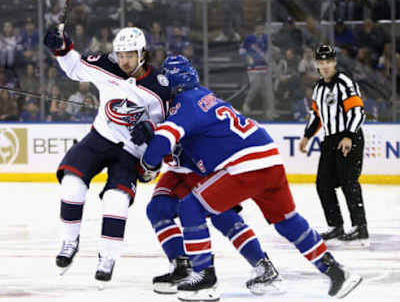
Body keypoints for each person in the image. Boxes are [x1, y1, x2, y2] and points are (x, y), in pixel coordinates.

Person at [133, 55, 362, 301]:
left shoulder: (184, 102)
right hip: (269, 158)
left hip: (244, 165)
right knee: (286, 221)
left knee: (191, 207)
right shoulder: (204, 96)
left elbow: (164, 142)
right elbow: (193, 148)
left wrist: (147, 163)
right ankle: (335, 271)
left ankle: (204, 278)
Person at [43, 25, 171, 282]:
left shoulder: (159, 87)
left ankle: (108, 258)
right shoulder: (106, 66)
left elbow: (170, 125)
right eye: (120, 54)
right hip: (99, 138)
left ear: (142, 54)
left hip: (130, 153)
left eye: (130, 55)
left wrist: (153, 129)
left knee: (116, 201)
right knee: (71, 185)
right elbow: (74, 67)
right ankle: (69, 242)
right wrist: (62, 48)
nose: (124, 60)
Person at [143, 149, 281, 295]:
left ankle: (263, 265)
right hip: (177, 172)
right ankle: (182, 265)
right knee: (158, 209)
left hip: (209, 168)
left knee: (223, 217)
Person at [298, 43, 369, 244]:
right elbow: (317, 115)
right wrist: (306, 136)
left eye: (328, 61)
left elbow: (357, 111)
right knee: (323, 183)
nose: (325, 65)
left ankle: (359, 226)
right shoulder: (319, 88)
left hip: (349, 137)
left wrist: (348, 135)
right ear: (317, 64)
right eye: (321, 62)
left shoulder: (345, 82)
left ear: (335, 62)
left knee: (349, 182)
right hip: (330, 140)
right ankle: (335, 225)